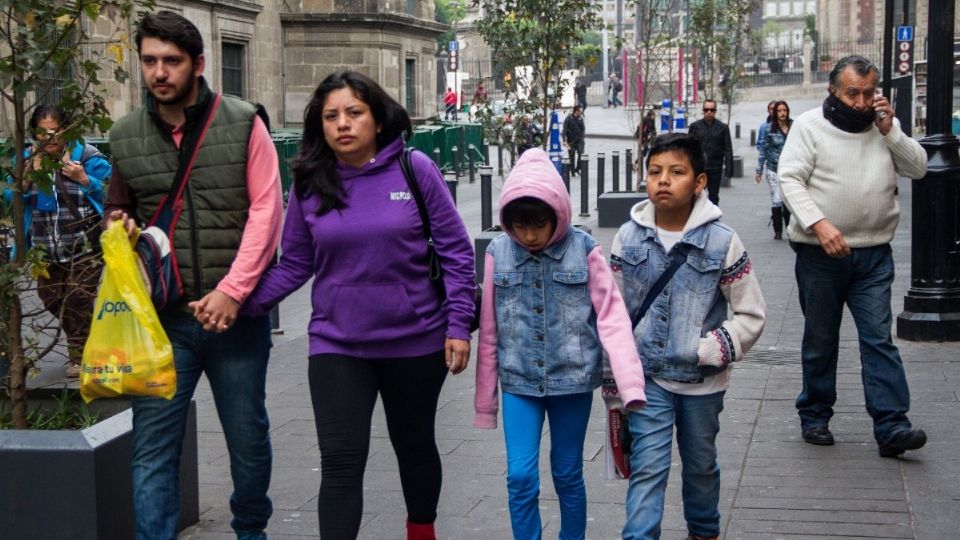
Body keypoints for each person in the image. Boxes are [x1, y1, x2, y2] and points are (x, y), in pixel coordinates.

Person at [240, 70, 476, 540]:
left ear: (377, 118)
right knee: (341, 460)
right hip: (337, 344)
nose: (342, 124)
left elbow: (456, 250)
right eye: (331, 116)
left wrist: (458, 325)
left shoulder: (415, 169)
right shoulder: (310, 183)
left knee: (414, 446)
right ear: (319, 125)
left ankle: (420, 531)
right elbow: (295, 264)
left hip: (415, 341)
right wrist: (239, 304)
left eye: (354, 113)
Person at [104, 11, 282, 539]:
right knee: (153, 448)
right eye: (150, 61)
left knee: (247, 440)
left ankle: (251, 530)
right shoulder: (124, 135)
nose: (159, 72)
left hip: (236, 320)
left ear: (198, 64)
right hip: (161, 322)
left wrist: (233, 291)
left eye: (172, 61)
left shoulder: (244, 120)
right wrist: (120, 229)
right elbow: (117, 210)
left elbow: (267, 212)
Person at [474, 148, 647, 540]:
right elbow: (489, 331)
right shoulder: (497, 252)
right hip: (519, 382)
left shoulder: (584, 249)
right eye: (520, 225)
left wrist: (629, 386)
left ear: (558, 213)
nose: (530, 236)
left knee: (567, 472)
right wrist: (486, 402)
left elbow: (613, 318)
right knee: (519, 475)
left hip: (572, 381)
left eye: (538, 224)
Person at [610, 133, 766, 540]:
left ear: (699, 182)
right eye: (655, 172)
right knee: (648, 465)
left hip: (702, 382)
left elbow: (751, 313)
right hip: (647, 382)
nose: (663, 180)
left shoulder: (722, 240)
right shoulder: (626, 238)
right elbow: (612, 315)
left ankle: (703, 530)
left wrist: (712, 348)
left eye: (676, 172)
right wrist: (615, 380)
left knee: (700, 463)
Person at [778, 55, 928, 457]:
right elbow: (789, 178)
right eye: (852, 94)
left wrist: (891, 132)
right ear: (834, 90)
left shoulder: (884, 128)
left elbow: (918, 168)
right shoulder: (810, 126)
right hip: (820, 256)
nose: (861, 103)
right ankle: (815, 414)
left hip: (874, 255)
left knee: (879, 339)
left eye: (868, 93)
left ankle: (892, 424)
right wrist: (818, 224)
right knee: (821, 339)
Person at [3, 105, 110, 378]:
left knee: (77, 297)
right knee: (50, 298)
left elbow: (113, 192)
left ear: (67, 129)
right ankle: (88, 336)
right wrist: (25, 180)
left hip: (84, 244)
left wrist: (85, 179)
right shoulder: (26, 159)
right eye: (42, 132)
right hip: (43, 249)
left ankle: (78, 354)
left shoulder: (86, 156)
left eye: (55, 130)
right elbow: (9, 199)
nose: (48, 137)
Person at [755, 100, 793, 239]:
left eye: (784, 110)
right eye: (779, 111)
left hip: (790, 169)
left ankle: (790, 228)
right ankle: (778, 231)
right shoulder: (768, 129)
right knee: (777, 199)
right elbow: (763, 150)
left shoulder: (794, 126)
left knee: (788, 200)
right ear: (775, 113)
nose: (782, 113)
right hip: (773, 169)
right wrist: (758, 171)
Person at [687, 99, 733, 206]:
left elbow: (728, 149)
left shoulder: (723, 128)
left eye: (711, 110)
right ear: (703, 110)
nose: (709, 112)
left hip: (715, 168)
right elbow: (689, 147)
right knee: (696, 195)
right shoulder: (695, 126)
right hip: (699, 168)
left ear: (715, 111)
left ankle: (713, 220)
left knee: (713, 197)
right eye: (706, 109)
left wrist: (729, 171)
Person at [562, 105, 585, 175]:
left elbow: (583, 128)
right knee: (571, 156)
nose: (581, 112)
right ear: (576, 111)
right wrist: (564, 140)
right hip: (571, 140)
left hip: (579, 140)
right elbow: (564, 129)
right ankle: (572, 171)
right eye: (580, 111)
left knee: (580, 153)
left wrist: (582, 137)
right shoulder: (568, 119)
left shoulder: (580, 118)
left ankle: (578, 168)